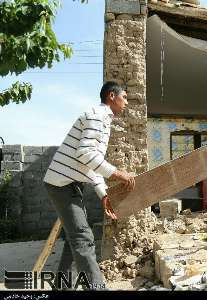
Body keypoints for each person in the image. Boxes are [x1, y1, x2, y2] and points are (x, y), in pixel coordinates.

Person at [43, 81, 136, 290]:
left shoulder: (104, 120)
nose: (127, 102)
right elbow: (85, 154)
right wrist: (118, 174)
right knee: (83, 237)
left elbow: (90, 163)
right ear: (112, 96)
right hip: (61, 184)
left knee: (73, 239)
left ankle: (61, 286)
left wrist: (103, 194)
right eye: (125, 97)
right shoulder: (97, 115)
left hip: (71, 184)